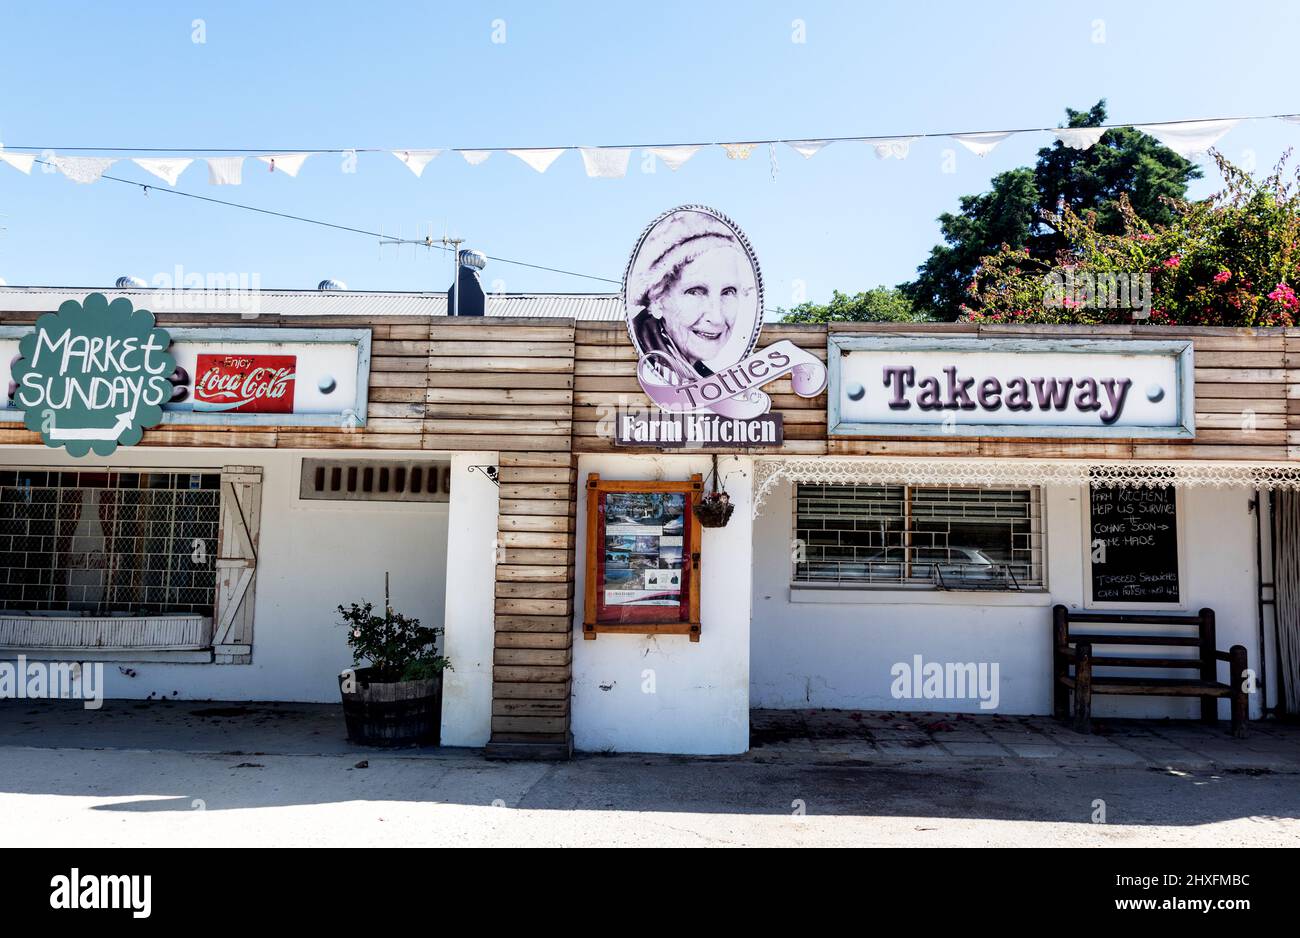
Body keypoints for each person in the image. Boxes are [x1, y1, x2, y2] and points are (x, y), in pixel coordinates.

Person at [628, 211, 757, 383]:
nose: (717, 318)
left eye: (728, 292)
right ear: (657, 299)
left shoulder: (697, 374)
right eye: (696, 291)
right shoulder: (652, 368)